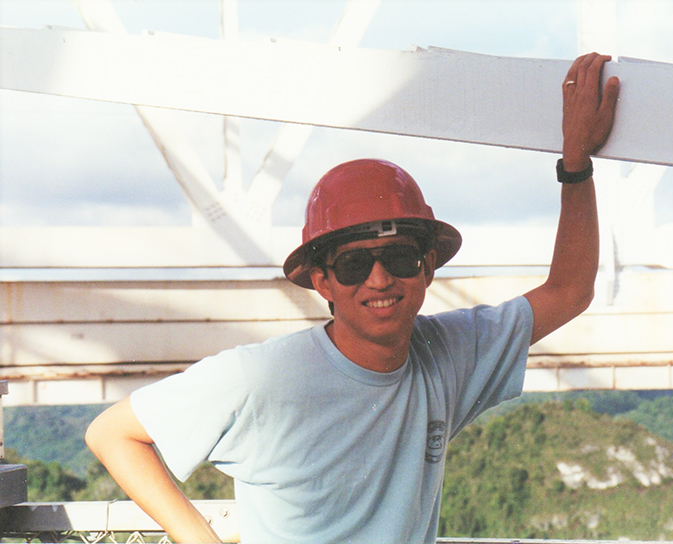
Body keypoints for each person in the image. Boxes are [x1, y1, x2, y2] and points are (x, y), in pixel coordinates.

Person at [85, 52, 620, 543]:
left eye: (400, 258)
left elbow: (570, 291)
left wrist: (575, 164)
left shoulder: (450, 355)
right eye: (354, 265)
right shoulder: (262, 378)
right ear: (323, 282)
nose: (380, 280)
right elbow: (113, 434)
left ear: (428, 266)